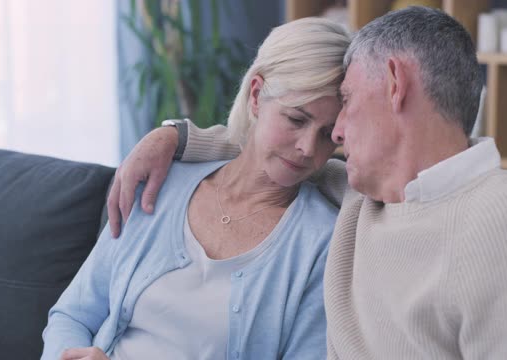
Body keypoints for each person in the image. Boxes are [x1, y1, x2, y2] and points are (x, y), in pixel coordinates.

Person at [109, 6, 507, 359]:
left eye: (347, 99)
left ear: (394, 83)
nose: (334, 135)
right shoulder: (364, 194)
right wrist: (174, 136)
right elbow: (266, 151)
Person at [41, 17, 350, 360]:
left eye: (328, 134)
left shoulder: (323, 243)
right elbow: (71, 316)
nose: (308, 148)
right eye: (296, 119)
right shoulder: (162, 184)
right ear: (257, 96)